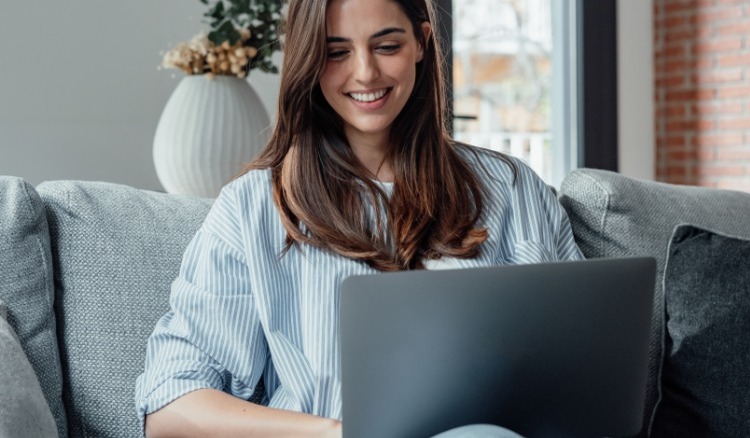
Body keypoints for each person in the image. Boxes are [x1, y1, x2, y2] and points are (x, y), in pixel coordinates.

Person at [135, 0, 583, 435]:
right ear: (308, 58)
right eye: (336, 52)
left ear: (422, 43)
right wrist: (335, 432)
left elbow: (580, 366)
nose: (366, 72)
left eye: (387, 47)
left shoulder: (511, 187)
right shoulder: (252, 208)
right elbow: (171, 405)